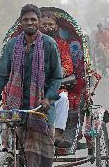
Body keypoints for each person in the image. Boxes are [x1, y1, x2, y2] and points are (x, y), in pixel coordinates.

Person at [0, 4, 63, 167]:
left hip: (41, 108)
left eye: (33, 19)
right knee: (11, 147)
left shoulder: (49, 44)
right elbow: (2, 76)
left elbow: (56, 77)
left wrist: (47, 99)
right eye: (26, 19)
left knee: (42, 156)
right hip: (15, 108)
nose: (29, 22)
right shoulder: (11, 46)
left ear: (39, 22)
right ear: (21, 22)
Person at [39, 11, 74, 148]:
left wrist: (57, 73)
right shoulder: (30, 42)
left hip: (56, 85)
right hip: (33, 86)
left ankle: (57, 135)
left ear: (56, 27)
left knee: (63, 99)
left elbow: (68, 65)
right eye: (44, 24)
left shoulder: (62, 44)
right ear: (38, 26)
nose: (47, 27)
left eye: (50, 24)